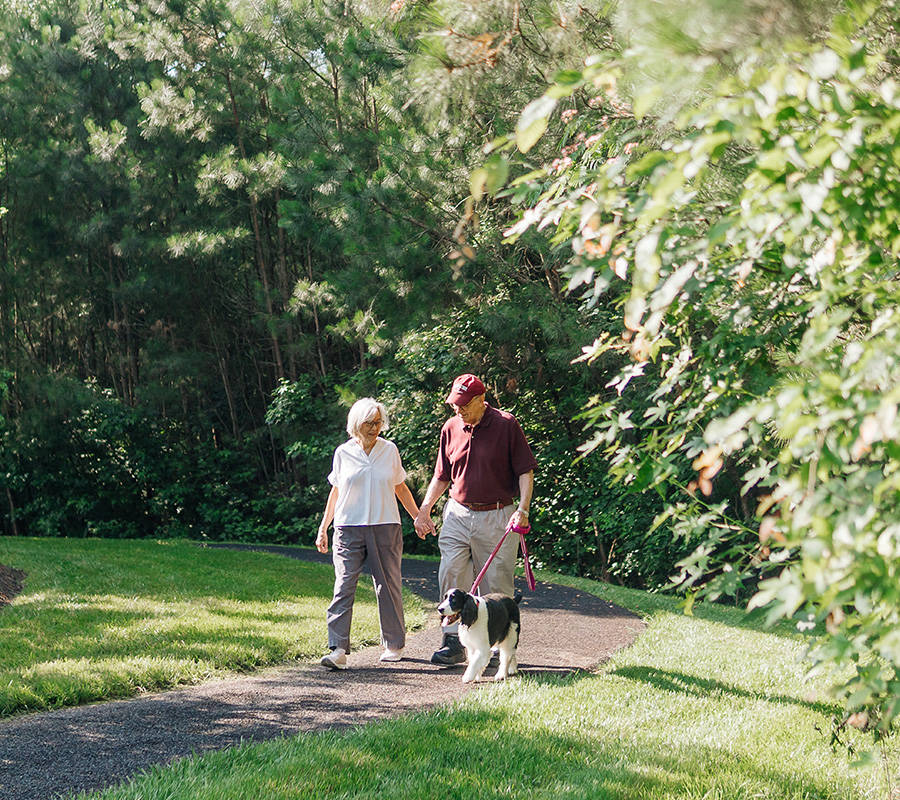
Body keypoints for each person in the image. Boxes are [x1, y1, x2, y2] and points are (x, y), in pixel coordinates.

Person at [413, 374, 537, 665]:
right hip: (457, 513)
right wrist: (424, 508)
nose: (459, 410)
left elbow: (525, 471)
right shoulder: (451, 427)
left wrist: (523, 508)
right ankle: (454, 641)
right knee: (451, 572)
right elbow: (442, 475)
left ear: (481, 401)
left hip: (497, 515)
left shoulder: (506, 425)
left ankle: (497, 647)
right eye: (455, 405)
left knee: (496, 584)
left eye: (464, 405)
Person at [316, 398, 425, 669]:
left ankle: (394, 644)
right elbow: (336, 491)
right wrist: (323, 527)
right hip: (347, 528)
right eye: (369, 423)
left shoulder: (390, 450)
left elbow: (400, 487)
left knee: (388, 586)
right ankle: (338, 649)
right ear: (356, 424)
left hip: (385, 526)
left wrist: (418, 517)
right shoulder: (343, 453)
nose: (375, 428)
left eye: (379, 422)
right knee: (343, 585)